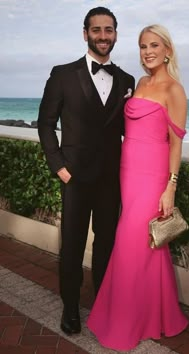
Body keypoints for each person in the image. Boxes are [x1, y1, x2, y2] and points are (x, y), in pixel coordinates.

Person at [87, 24, 188, 351]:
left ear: (167, 50)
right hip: (127, 173)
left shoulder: (174, 90)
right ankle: (159, 314)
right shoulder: (140, 83)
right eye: (143, 46)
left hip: (153, 175)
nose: (148, 51)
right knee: (148, 246)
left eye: (154, 45)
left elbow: (175, 144)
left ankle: (126, 321)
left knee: (131, 240)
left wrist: (170, 186)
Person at [37, 7, 135, 336]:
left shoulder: (126, 80)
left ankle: (103, 304)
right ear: (85, 34)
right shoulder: (62, 74)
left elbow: (128, 128)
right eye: (97, 30)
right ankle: (70, 307)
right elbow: (46, 124)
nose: (103, 36)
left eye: (109, 30)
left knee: (107, 244)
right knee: (73, 245)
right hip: (75, 178)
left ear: (116, 35)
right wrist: (60, 168)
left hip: (111, 180)